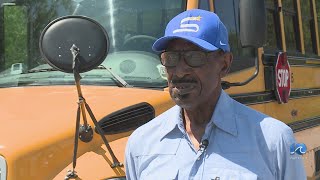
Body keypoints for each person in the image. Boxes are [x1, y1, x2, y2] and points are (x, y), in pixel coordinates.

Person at [125, 9, 306, 180]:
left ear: (225, 64)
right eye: (171, 59)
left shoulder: (275, 140)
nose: (179, 72)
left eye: (194, 57)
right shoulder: (141, 143)